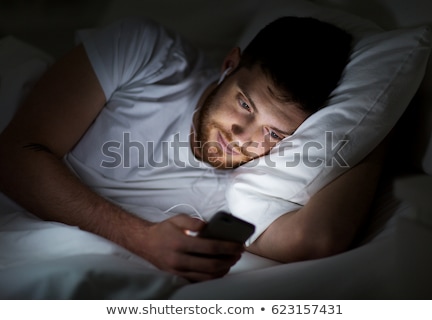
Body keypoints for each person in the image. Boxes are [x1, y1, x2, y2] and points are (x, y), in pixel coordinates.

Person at [0, 16, 384, 282]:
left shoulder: (253, 188)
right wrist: (141, 238)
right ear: (229, 65)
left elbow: (316, 241)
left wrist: (382, 116)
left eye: (273, 134)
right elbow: (15, 154)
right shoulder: (148, 55)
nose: (242, 136)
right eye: (245, 105)